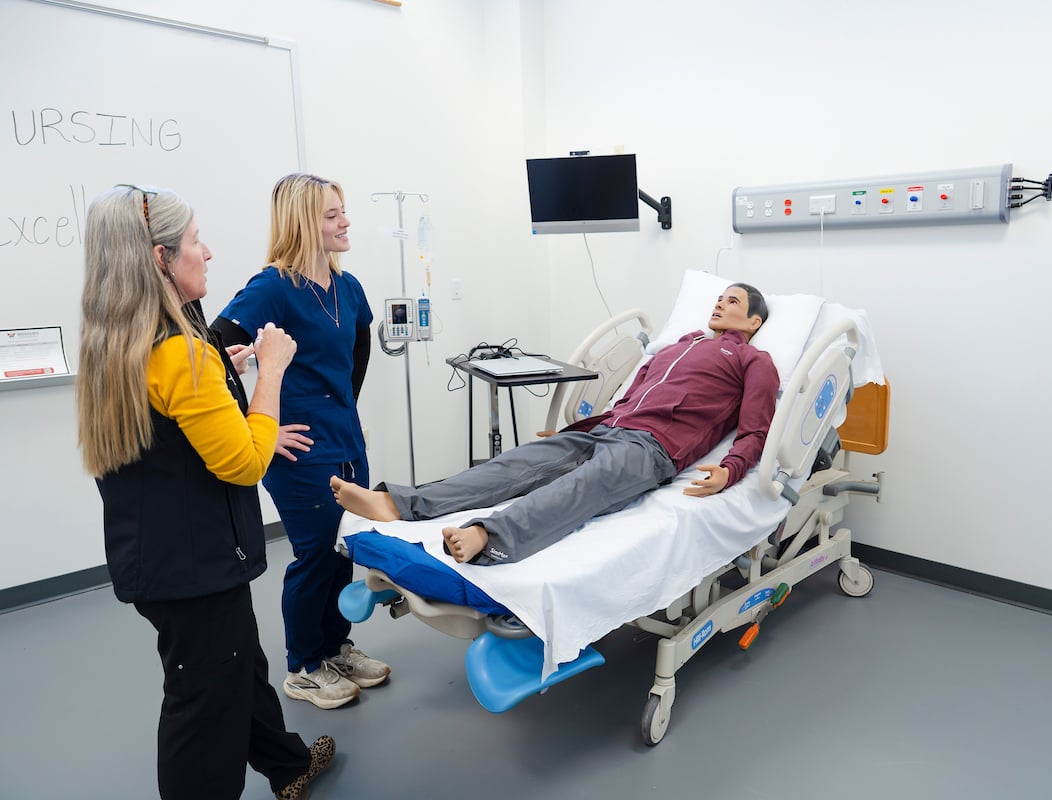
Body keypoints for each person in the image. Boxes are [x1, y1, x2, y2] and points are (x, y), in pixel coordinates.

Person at [77, 185, 335, 800]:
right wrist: (271, 371)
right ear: (161, 259)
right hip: (193, 567)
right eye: (196, 241)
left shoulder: (118, 343)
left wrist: (229, 373)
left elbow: (177, 429)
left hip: (160, 552)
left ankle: (288, 765)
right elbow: (245, 463)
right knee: (204, 706)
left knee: (239, 666)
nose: (209, 252)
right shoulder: (182, 354)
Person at [332, 283, 779, 565]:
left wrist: (731, 468)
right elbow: (628, 396)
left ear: (754, 320)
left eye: (733, 301)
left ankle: (488, 535)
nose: (720, 303)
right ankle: (400, 504)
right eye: (719, 297)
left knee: (580, 487)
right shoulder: (674, 346)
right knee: (514, 464)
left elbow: (757, 428)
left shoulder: (752, 359)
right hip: (608, 428)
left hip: (653, 448)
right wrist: (578, 428)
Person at [211, 173, 387, 711]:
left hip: (344, 440)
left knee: (343, 548)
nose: (345, 221)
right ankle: (303, 667)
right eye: (333, 214)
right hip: (297, 448)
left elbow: (357, 355)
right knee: (314, 553)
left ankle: (333, 647)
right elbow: (213, 352)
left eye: (344, 210)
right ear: (303, 223)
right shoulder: (272, 287)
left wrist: (342, 410)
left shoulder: (348, 288)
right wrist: (254, 425)